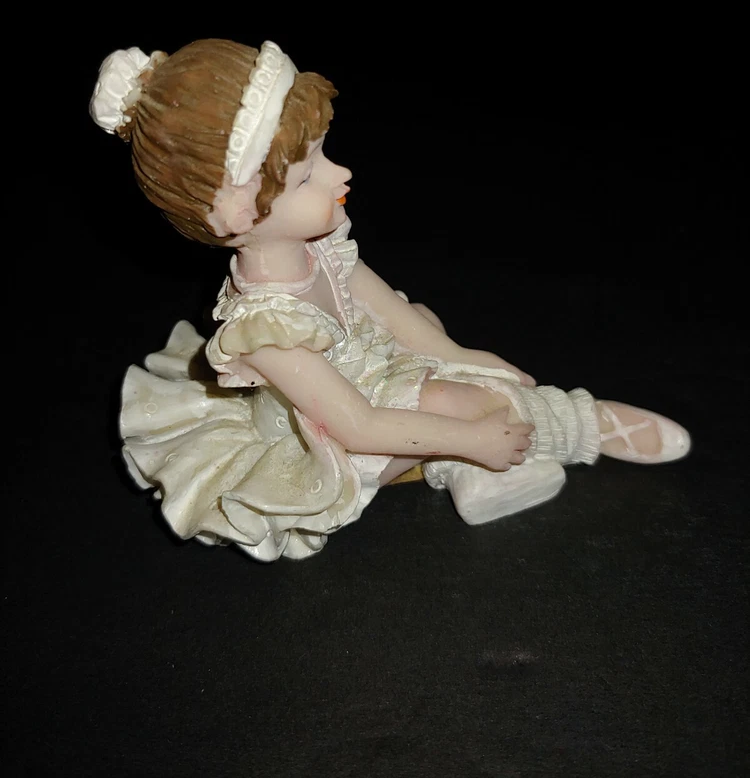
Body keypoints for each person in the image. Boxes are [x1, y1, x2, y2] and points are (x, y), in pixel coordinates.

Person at [90, 39, 690, 562]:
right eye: (307, 176)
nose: (339, 174)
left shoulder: (319, 245)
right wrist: (472, 438)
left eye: (324, 153)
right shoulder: (266, 329)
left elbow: (391, 313)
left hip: (365, 372)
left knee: (433, 333)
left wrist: (462, 354)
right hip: (326, 433)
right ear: (236, 215)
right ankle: (579, 425)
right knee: (463, 404)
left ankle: (464, 468)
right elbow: (357, 425)